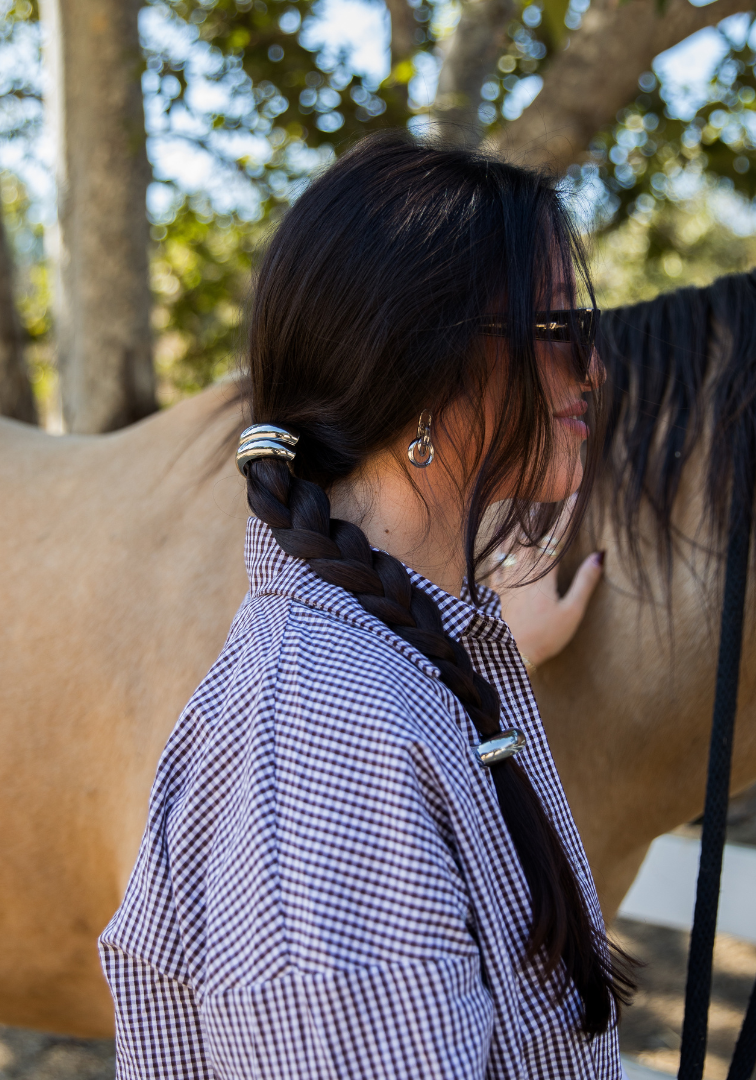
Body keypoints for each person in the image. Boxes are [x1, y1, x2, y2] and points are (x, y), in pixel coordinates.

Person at [99, 132, 633, 1079]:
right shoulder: (331, 737)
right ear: (421, 366)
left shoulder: (407, 658)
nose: (591, 368)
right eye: (558, 331)